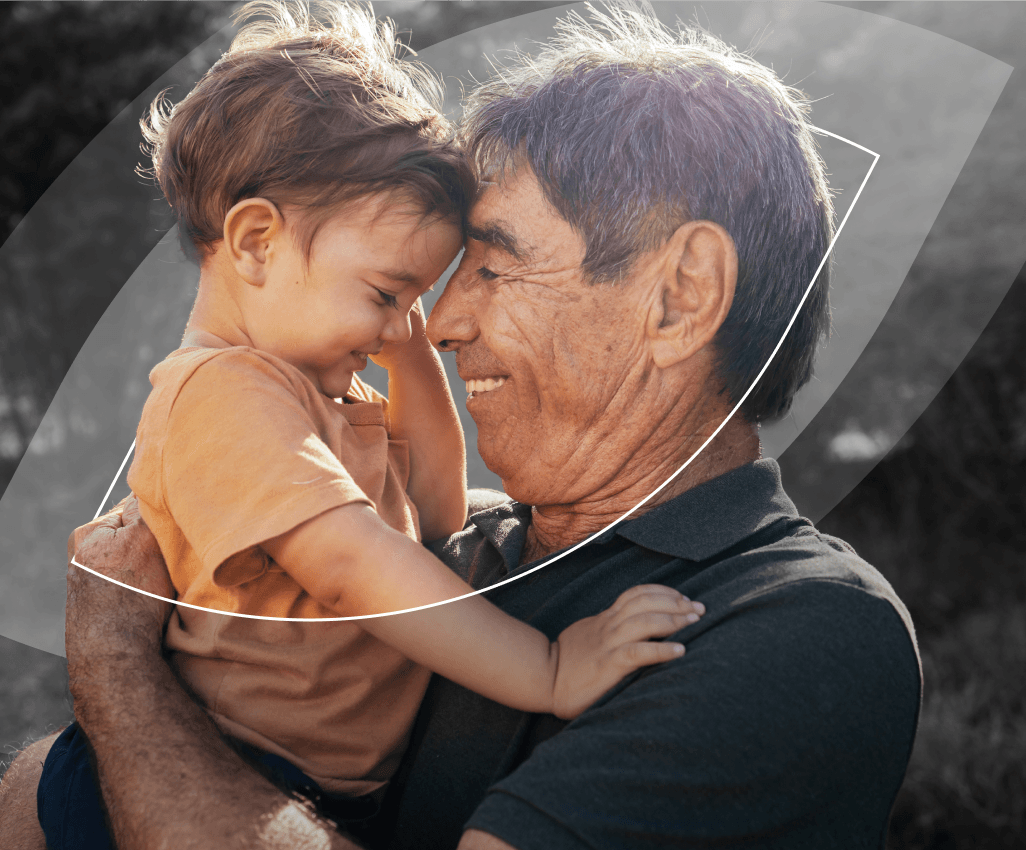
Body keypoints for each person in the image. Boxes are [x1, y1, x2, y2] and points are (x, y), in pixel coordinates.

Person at [0, 4, 922, 849]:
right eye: (403, 289)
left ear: (680, 297)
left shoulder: (798, 626)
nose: (435, 324)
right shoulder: (468, 547)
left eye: (493, 268)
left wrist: (115, 664)